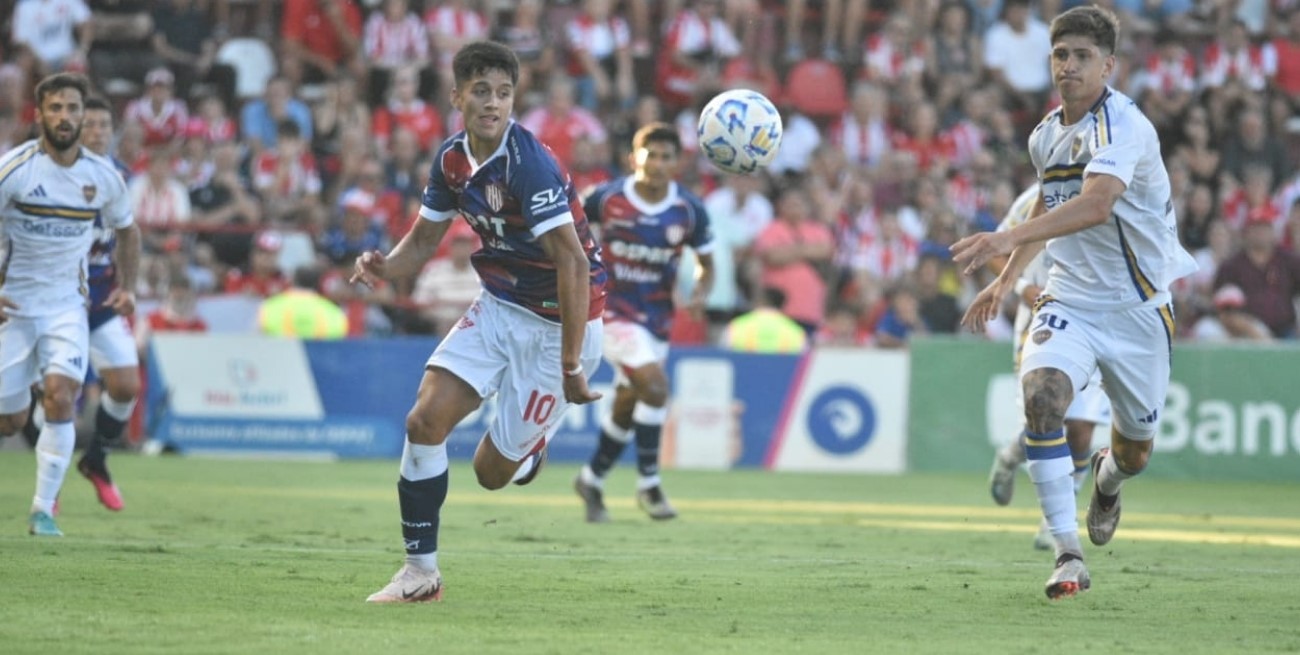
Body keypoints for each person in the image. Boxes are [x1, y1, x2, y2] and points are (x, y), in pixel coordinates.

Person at [951, 6, 1196, 599]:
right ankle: (1066, 553)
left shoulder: (1125, 127)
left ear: (1108, 65)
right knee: (1042, 400)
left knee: (1134, 452)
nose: (1069, 66)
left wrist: (1005, 238)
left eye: (1083, 56)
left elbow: (1094, 204)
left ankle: (1108, 483)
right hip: (1072, 299)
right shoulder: (1044, 134)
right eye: (1061, 55)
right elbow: (1046, 205)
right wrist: (1005, 280)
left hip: (1138, 307)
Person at [350, 41, 607, 603]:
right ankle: (421, 573)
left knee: (491, 474)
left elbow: (573, 261)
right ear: (458, 95)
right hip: (497, 306)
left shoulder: (529, 164)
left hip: (559, 323)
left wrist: (569, 363)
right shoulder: (450, 160)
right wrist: (384, 267)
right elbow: (423, 240)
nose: (494, 102)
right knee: (423, 421)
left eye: (505, 92)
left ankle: (530, 446)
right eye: (482, 91)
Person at [0, 72, 139, 536]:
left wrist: (129, 285)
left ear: (84, 115)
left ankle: (43, 511)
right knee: (11, 420)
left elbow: (128, 230)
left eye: (73, 109)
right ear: (38, 114)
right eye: (55, 108)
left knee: (62, 396)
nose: (65, 117)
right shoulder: (15, 169)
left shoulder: (102, 177)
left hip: (66, 308)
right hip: (13, 309)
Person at [572, 122, 714, 524]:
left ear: (677, 163)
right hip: (610, 312)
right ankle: (649, 484)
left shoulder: (688, 210)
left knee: (628, 403)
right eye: (651, 154)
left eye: (667, 156)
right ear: (634, 158)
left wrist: (701, 291)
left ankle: (591, 479)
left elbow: (707, 262)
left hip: (656, 319)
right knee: (655, 387)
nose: (658, 163)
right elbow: (570, 236)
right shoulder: (606, 199)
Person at [985, 184, 1111, 551]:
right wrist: (1021, 285)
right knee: (1048, 417)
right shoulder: (1035, 197)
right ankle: (1010, 457)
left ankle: (1055, 519)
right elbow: (998, 247)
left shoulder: (1110, 193)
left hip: (1095, 318)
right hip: (1043, 320)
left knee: (1082, 431)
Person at [258, 266, 349, 339]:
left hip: (279, 358)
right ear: (317, 284)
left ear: (292, 281)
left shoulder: (270, 306)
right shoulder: (334, 312)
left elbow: (259, 336)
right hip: (318, 360)